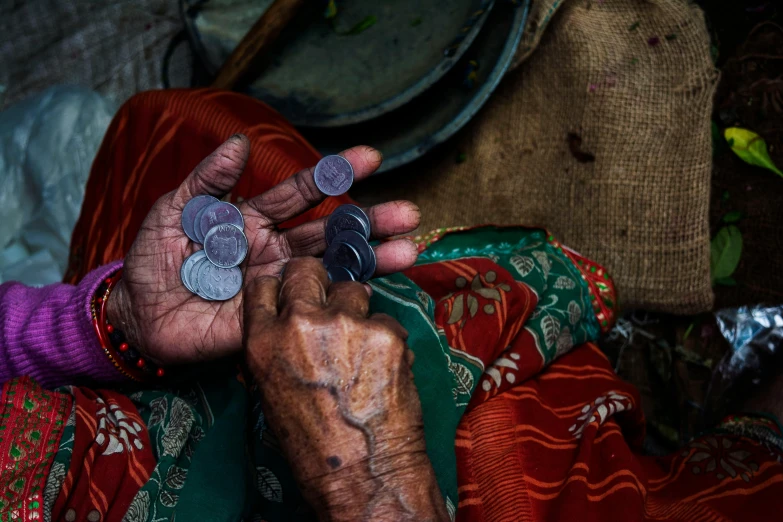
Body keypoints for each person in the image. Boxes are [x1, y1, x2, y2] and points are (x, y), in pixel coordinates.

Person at [1, 89, 782, 522]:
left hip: (103, 410)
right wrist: (368, 480)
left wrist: (112, 326)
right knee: (513, 451)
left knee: (184, 124)